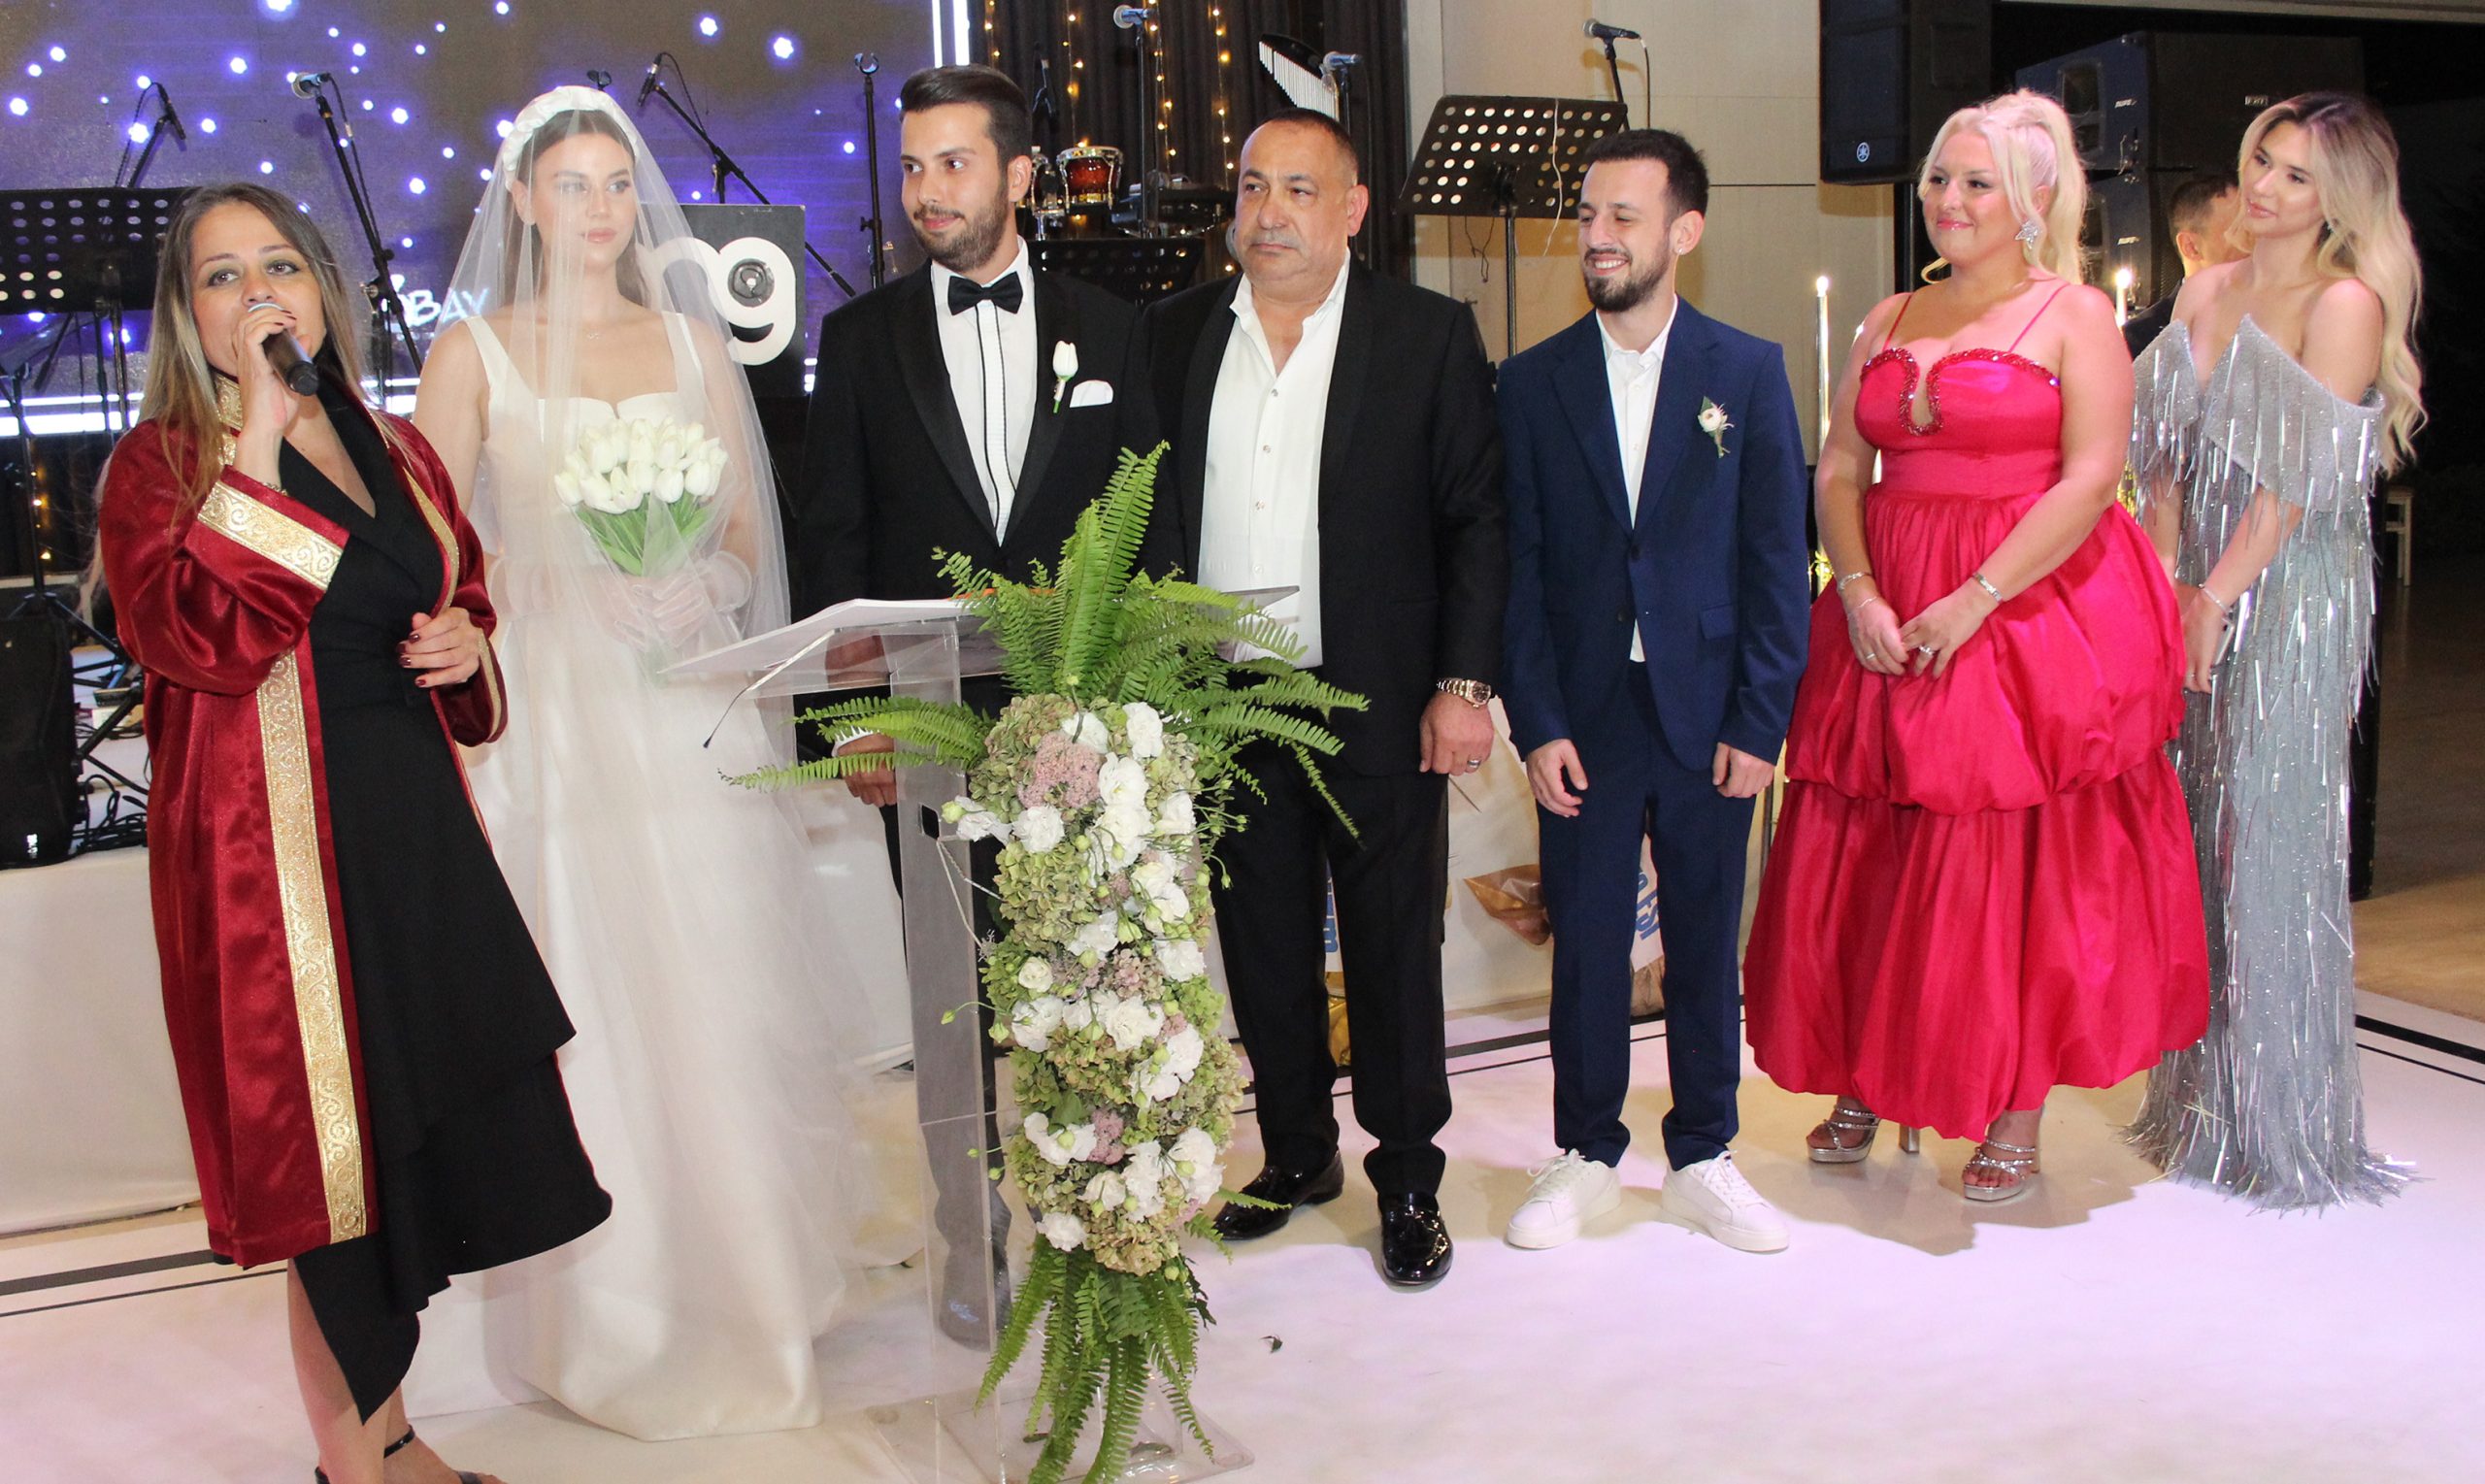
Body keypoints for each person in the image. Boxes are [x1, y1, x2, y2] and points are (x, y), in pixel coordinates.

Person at [97, 181, 609, 1484]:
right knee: (334, 1181)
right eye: (222, 276)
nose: (258, 293)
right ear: (187, 314)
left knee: (413, 1159)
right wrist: (259, 446)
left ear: (322, 290)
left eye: (279, 265)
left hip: (410, 835)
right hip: (276, 867)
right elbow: (200, 638)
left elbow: (460, 589)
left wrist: (466, 642)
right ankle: (352, 1467)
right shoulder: (161, 464)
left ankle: (395, 1436)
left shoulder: (398, 447)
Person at [411, 85, 876, 1437]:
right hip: (557, 718)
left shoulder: (691, 341)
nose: (601, 208)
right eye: (572, 185)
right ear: (523, 201)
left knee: (720, 979)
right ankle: (608, 1319)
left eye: (618, 183)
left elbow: (744, 533)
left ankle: (751, 1284)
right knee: (597, 1001)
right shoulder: (473, 354)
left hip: (683, 706)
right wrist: (538, 594)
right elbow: (435, 551)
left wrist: (703, 587)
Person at [1743, 91, 2208, 1203]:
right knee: (1870, 845)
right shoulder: (1888, 314)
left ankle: (2013, 1100)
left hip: (2025, 603)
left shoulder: (2073, 314)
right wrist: (1858, 588)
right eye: (1939, 181)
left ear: (2034, 198)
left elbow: (2091, 477)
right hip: (1888, 597)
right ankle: (1867, 1065)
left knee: (2006, 858)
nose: (1948, 200)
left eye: (1975, 183)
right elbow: (1840, 467)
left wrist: (1975, 599)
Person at [785, 64, 1151, 1338]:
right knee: (953, 1001)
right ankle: (968, 1237)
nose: (926, 190)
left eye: (953, 163)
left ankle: (1103, 1215)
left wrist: (1138, 713)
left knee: (1092, 983)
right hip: (927, 726)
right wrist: (851, 721)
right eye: (912, 166)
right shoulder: (861, 339)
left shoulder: (1114, 331)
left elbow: (1148, 530)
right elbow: (832, 544)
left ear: (1020, 175)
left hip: (1080, 727)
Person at [1136, 109, 1505, 1289]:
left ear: (1351, 209)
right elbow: (1145, 512)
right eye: (1253, 186)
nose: (1271, 212)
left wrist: (1461, 683)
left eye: (1300, 189)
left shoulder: (1425, 334)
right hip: (1226, 704)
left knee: (1392, 947)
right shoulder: (1175, 333)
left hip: (1376, 697)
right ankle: (1296, 1153)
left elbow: (1476, 520)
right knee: (1261, 944)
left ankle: (1407, 1176)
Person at [1495, 130, 1810, 1254]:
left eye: (1622, 217)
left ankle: (1703, 1153)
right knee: (1584, 940)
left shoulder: (1746, 371)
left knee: (1704, 936)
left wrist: (1760, 719)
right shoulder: (1529, 383)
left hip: (1710, 708)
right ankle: (1584, 1153)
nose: (1596, 236)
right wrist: (1535, 721)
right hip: (1584, 713)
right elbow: (1517, 569)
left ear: (1684, 230)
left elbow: (1776, 559)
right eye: (1587, 214)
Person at [2128, 93, 2426, 1208]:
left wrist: (2214, 596)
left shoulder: (2344, 303)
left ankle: (2283, 1128)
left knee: (2267, 837)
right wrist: (2167, 581)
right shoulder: (2206, 289)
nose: (2263, 187)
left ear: (2338, 198)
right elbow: (2160, 452)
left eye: (2296, 175)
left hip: (2286, 589)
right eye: (2261, 161)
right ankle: (2197, 1110)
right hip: (2195, 579)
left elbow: (2292, 485)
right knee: (2191, 827)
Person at [2123, 171, 2246, 356]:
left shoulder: (2272, 316)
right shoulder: (2143, 337)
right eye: (2238, 231)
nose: (2254, 243)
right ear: (2191, 247)